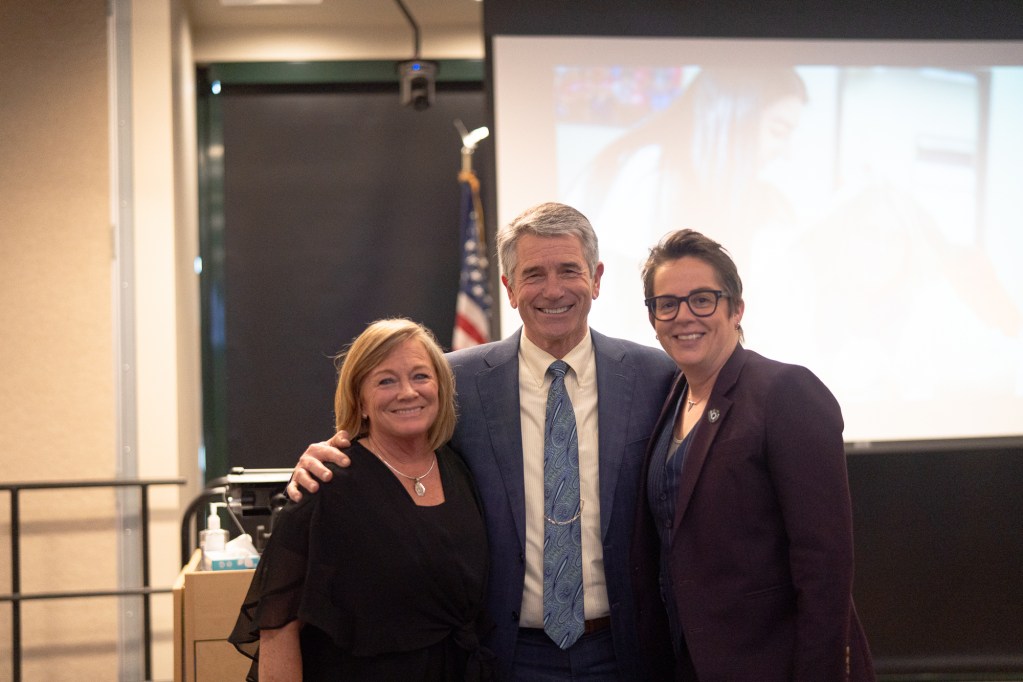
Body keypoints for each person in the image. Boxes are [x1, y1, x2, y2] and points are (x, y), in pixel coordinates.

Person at [290, 202, 678, 681]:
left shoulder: (655, 376)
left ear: (596, 279)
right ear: (509, 288)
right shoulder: (457, 381)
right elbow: (390, 438)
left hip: (624, 651)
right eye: (533, 274)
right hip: (502, 654)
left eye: (569, 271)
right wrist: (330, 453)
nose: (552, 290)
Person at [631, 229, 874, 681]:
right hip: (690, 663)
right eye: (667, 303)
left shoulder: (785, 391)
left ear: (736, 308)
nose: (684, 316)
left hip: (773, 664)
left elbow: (825, 562)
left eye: (702, 299)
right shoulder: (670, 398)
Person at [229, 318, 492, 681]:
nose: (408, 392)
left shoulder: (460, 468)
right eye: (386, 380)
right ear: (361, 401)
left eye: (420, 376)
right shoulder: (325, 485)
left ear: (441, 387)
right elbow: (278, 629)